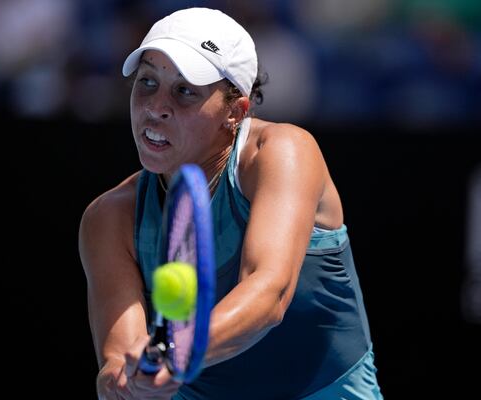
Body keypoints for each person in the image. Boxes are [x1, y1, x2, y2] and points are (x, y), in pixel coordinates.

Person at [79, 7, 383, 400]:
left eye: (185, 90)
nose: (156, 107)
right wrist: (126, 382)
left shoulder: (283, 152)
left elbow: (268, 294)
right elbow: (118, 358)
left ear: (235, 112)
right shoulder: (109, 218)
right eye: (148, 82)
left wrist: (179, 350)